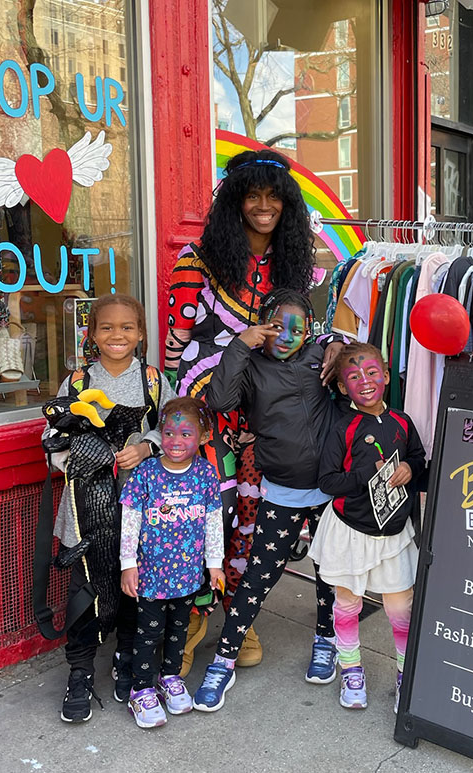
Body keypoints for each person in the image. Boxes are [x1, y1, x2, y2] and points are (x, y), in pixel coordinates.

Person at [165, 148, 321, 671]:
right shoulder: (197, 264)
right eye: (252, 195)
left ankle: (239, 614)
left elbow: (307, 338)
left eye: (273, 196)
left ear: (288, 205)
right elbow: (173, 353)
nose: (262, 206)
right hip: (210, 416)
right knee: (199, 518)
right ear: (235, 202)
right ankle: (188, 622)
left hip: (266, 422)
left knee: (250, 523)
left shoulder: (296, 267)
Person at [190, 289, 342, 712]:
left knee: (329, 571)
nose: (287, 335)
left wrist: (337, 343)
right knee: (258, 578)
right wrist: (241, 345)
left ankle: (327, 639)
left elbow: (363, 372)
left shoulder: (321, 357)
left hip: (330, 488)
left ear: (310, 331)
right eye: (277, 325)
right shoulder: (251, 365)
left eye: (298, 328)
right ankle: (223, 661)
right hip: (284, 490)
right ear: (261, 325)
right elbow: (218, 400)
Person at [44, 294, 175, 723]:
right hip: (85, 507)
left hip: (141, 507)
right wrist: (81, 456)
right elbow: (52, 443)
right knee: (86, 588)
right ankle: (80, 671)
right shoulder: (77, 384)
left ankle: (127, 657)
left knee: (133, 582)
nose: (117, 336)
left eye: (127, 328)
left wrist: (145, 446)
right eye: (107, 328)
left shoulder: (153, 381)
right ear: (92, 334)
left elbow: (173, 429)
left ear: (140, 334)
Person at [309, 342, 426, 713]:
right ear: (342, 387)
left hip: (394, 534)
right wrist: (364, 475)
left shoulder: (403, 423)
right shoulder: (342, 428)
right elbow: (327, 482)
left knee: (400, 608)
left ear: (387, 376)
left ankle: (406, 675)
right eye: (354, 376)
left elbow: (418, 460)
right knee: (346, 603)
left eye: (372, 372)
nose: (365, 381)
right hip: (350, 532)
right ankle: (351, 670)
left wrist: (410, 468)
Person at [119, 397, 224, 727]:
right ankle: (140, 690)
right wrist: (127, 564)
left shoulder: (206, 474)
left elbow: (213, 521)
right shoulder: (146, 473)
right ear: (159, 434)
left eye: (185, 434)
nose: (176, 441)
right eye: (169, 433)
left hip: (188, 574)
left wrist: (215, 563)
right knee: (148, 634)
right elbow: (130, 519)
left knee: (178, 630)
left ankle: (169, 678)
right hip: (150, 575)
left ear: (203, 437)